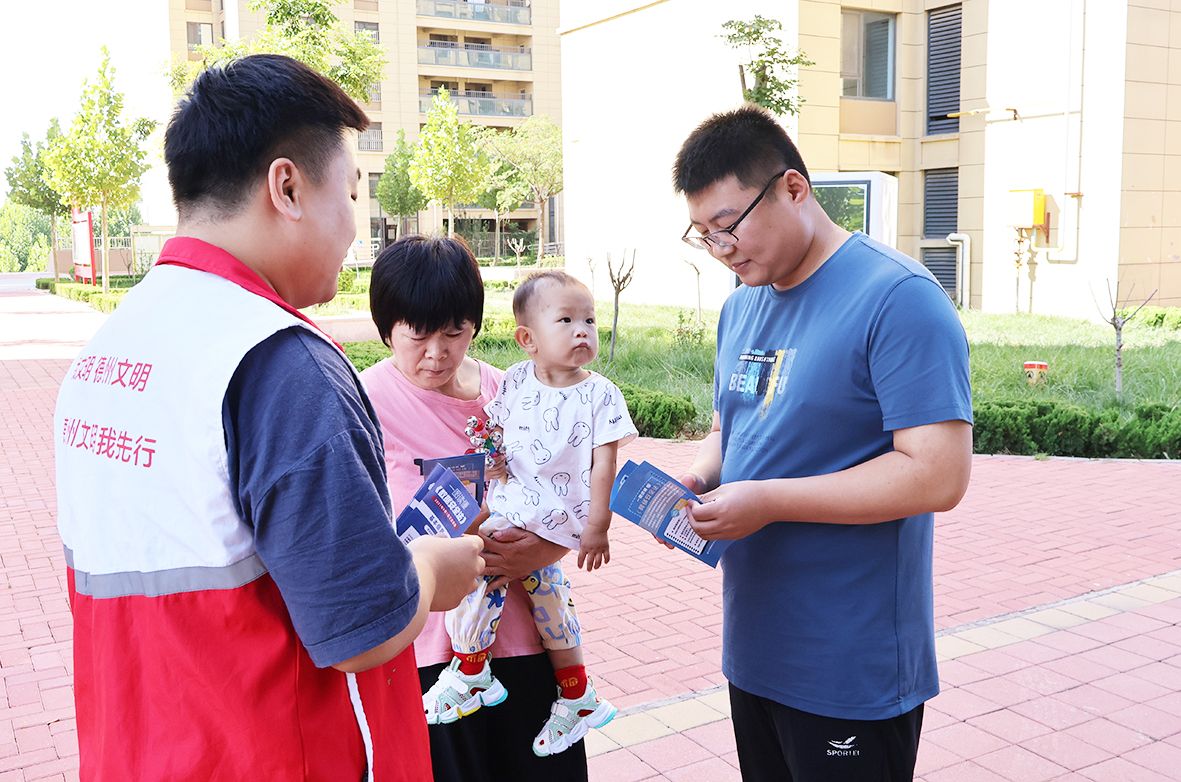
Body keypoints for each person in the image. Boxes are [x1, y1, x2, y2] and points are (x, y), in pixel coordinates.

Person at [53, 55, 484, 781]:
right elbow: (362, 629)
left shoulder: (108, 350)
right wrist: (431, 570)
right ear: (287, 187)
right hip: (284, 757)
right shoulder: (279, 363)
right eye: (351, 193)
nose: (355, 228)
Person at [671, 105, 973, 782]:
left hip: (849, 662)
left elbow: (938, 475)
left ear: (792, 188)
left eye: (729, 226)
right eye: (704, 236)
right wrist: (700, 476)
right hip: (755, 649)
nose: (722, 250)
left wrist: (767, 501)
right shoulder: (741, 305)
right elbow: (730, 426)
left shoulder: (897, 298)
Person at [360, 238, 591, 781]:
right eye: (418, 335)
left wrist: (547, 548)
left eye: (454, 332)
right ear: (387, 328)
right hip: (432, 652)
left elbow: (563, 491)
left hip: (527, 639)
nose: (436, 353)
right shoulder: (364, 401)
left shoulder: (508, 391)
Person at [420, 270, 637, 756]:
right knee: (550, 596)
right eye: (566, 320)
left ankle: (472, 671)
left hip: (556, 519)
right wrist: (492, 459)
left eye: (589, 320)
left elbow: (605, 464)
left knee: (481, 570)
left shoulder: (600, 393)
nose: (582, 331)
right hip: (516, 503)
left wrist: (597, 527)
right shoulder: (516, 379)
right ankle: (577, 692)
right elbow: (498, 435)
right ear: (528, 339)